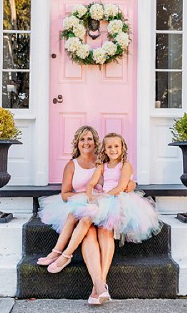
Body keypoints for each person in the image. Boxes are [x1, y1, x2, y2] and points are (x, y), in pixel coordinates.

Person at [37, 126, 135, 305]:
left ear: (96, 143)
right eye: (82, 139)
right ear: (77, 143)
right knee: (88, 232)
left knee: (105, 232)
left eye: (89, 139)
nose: (86, 143)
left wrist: (130, 185)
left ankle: (98, 286)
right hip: (84, 204)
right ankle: (93, 280)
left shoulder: (102, 162)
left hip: (105, 204)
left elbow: (123, 180)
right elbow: (65, 194)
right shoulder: (72, 165)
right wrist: (86, 197)